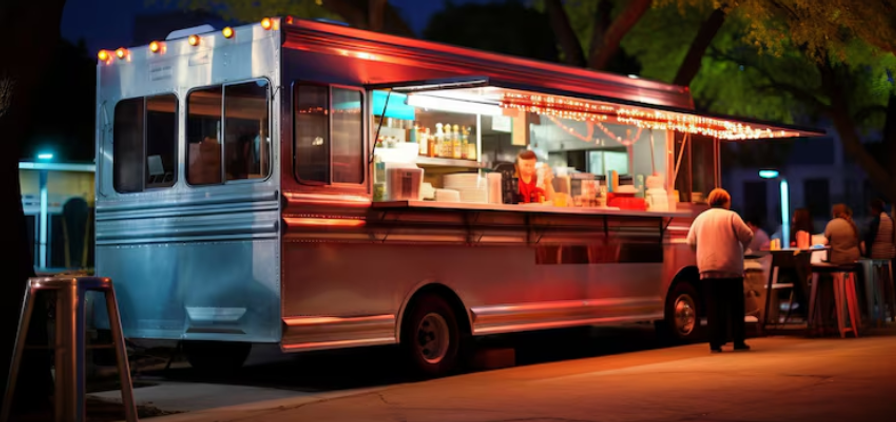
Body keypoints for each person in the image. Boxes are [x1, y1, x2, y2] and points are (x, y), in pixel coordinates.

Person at [687, 188, 754, 353]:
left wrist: (700, 253)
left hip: (707, 268)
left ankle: (715, 343)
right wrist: (741, 250)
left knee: (713, 306)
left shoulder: (700, 218)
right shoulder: (731, 216)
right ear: (726, 201)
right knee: (735, 306)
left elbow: (690, 241)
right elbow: (748, 235)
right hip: (730, 268)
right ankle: (738, 341)